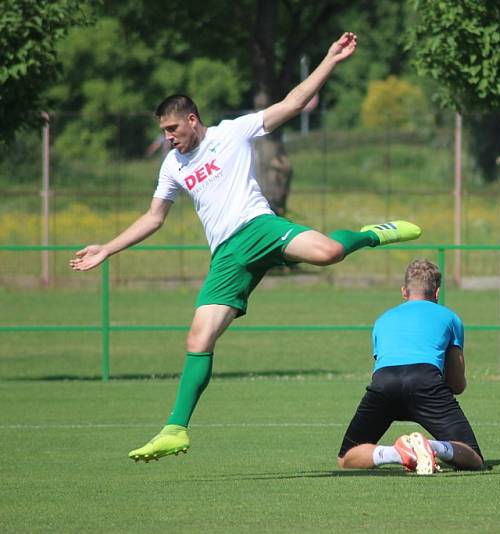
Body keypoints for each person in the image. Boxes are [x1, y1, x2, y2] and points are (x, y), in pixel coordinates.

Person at [69, 32, 422, 463]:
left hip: (257, 226)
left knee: (329, 253)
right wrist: (106, 248)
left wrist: (329, 59)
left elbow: (292, 105)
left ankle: (372, 234)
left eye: (172, 129)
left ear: (193, 120)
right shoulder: (171, 166)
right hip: (228, 255)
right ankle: (175, 429)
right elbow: (153, 217)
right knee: (198, 337)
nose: (168, 138)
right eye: (163, 132)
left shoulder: (232, 133)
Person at [337, 259, 484, 474]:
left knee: (346, 458)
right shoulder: (450, 317)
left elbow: (381, 365)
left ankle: (396, 453)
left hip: (385, 381)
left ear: (404, 291)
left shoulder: (382, 319)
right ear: (437, 293)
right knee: (474, 457)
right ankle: (433, 447)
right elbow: (457, 384)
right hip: (425, 379)